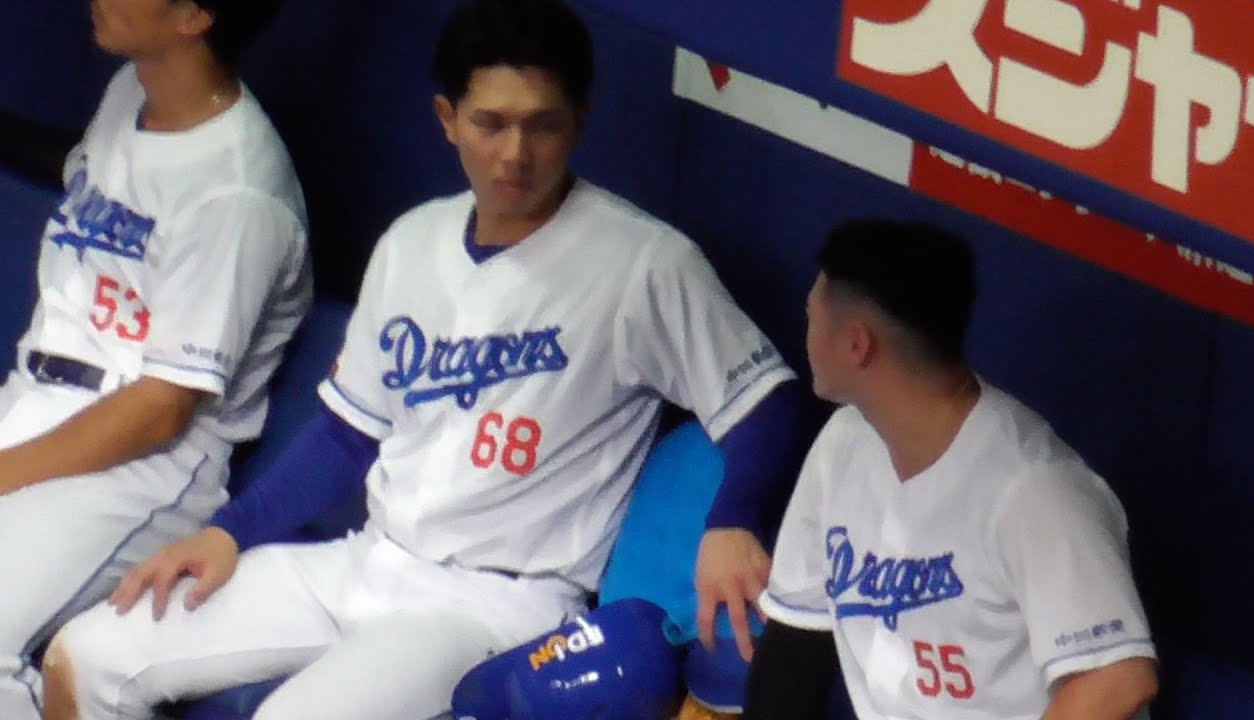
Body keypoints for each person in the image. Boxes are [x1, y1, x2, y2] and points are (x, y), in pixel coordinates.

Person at [42, 1, 809, 718]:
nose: (515, 153)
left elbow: (768, 401)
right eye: (491, 123)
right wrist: (228, 532)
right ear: (448, 120)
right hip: (368, 560)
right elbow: (346, 435)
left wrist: (732, 522)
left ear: (580, 120)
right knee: (88, 655)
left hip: (496, 602)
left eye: (542, 125)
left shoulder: (646, 265)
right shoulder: (413, 241)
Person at [0, 1, 309, 718]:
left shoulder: (238, 190)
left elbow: (162, 408)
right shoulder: (130, 92)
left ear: (195, 15)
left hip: (143, 465)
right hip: (39, 398)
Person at [745, 221, 1159, 720]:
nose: (806, 333)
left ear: (857, 345)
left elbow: (1119, 679)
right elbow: (795, 644)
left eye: (812, 317)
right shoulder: (844, 443)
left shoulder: (1035, 490)